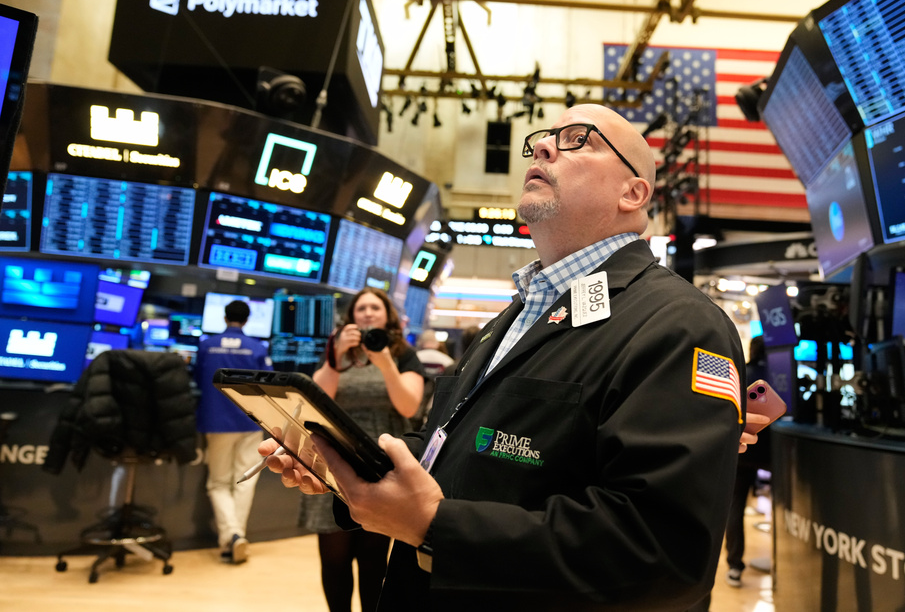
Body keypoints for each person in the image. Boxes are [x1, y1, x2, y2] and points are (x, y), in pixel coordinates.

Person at [264, 104, 770, 610]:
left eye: (578, 139)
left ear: (632, 193)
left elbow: (667, 555)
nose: (545, 145)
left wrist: (435, 526)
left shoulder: (680, 324)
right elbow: (454, 446)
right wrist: (348, 468)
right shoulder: (517, 315)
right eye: (545, 138)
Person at [302, 287, 425, 612]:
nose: (368, 313)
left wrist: (385, 362)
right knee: (334, 560)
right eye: (361, 308)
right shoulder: (337, 351)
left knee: (374, 560)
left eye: (375, 307)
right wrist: (335, 355)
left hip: (380, 462)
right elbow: (317, 399)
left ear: (388, 316)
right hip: (333, 463)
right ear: (351, 317)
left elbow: (409, 406)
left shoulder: (402, 353)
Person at [193, 299, 273, 565]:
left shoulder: (205, 346)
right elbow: (270, 386)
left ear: (224, 317)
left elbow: (196, 381)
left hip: (216, 422)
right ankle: (235, 537)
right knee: (245, 480)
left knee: (218, 482)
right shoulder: (258, 348)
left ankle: (232, 536)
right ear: (248, 320)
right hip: (251, 422)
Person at [725, 335, 772, 588]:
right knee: (785, 507)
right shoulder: (781, 374)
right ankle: (782, 561)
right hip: (775, 453)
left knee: (735, 507)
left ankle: (734, 566)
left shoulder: (741, 374)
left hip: (742, 452)